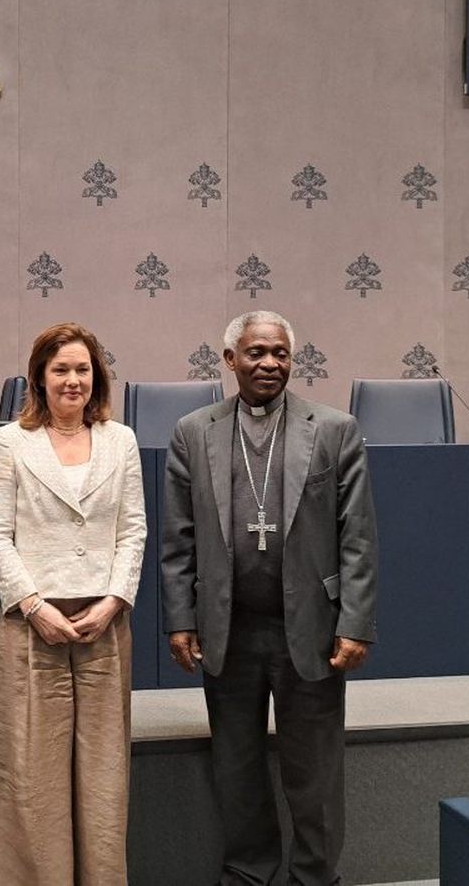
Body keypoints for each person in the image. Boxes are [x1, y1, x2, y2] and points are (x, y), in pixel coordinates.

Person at [161, 310, 378, 886]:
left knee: (316, 773)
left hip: (309, 628)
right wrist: (180, 619)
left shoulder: (334, 429)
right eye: (256, 353)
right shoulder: (193, 431)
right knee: (237, 768)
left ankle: (315, 877)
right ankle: (248, 874)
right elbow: (176, 539)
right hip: (227, 629)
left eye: (280, 353)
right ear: (229, 360)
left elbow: (357, 537)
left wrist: (355, 624)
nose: (270, 364)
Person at [0, 322, 147, 886]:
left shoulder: (120, 440)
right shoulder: (10, 442)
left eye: (82, 369)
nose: (73, 380)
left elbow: (134, 531)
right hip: (32, 626)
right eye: (61, 370)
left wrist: (115, 600)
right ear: (40, 378)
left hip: (103, 625)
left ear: (95, 376)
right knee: (31, 777)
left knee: (104, 777)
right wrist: (32, 604)